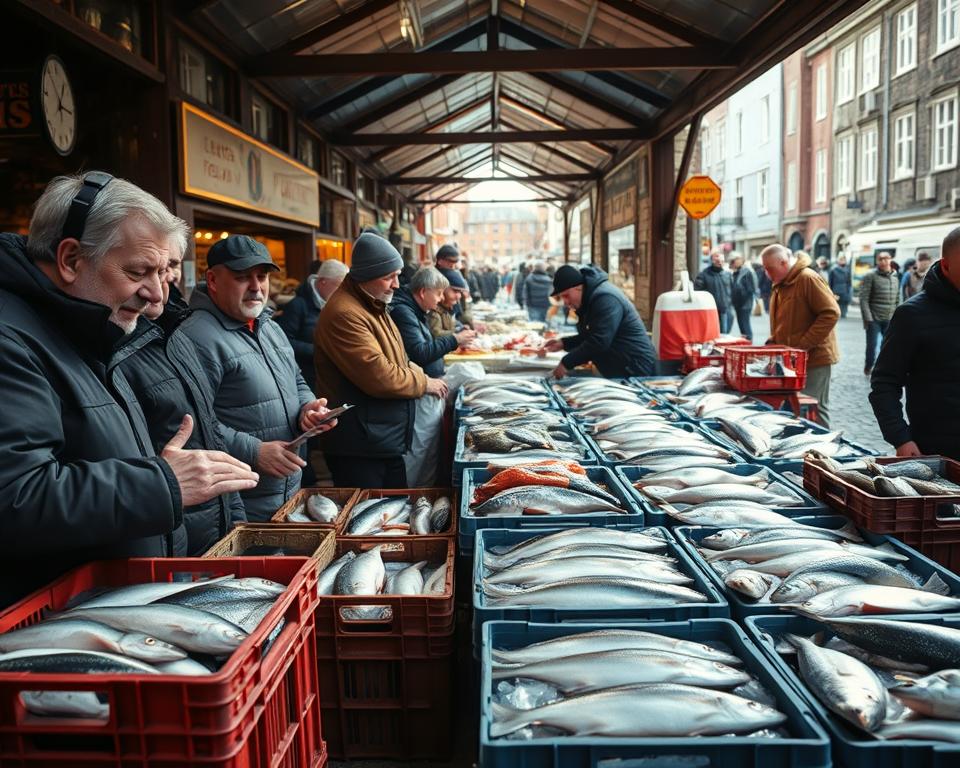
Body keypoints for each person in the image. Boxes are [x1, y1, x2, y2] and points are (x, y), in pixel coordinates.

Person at [0, 172, 259, 605]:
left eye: (163, 272)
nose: (157, 294)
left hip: (117, 606)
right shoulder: (13, 338)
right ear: (70, 259)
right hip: (61, 622)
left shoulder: (94, 327)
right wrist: (163, 484)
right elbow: (14, 497)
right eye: (139, 271)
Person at [181, 235, 336, 521]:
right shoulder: (195, 337)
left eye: (262, 276)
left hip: (286, 493)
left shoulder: (269, 327)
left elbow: (297, 380)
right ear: (212, 280)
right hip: (239, 503)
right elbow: (188, 423)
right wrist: (253, 451)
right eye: (242, 277)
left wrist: (308, 408)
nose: (256, 287)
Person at [119, 244, 247, 555]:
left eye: (168, 268)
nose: (160, 285)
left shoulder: (175, 334)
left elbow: (209, 430)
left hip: (211, 529)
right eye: (141, 271)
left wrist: (235, 516)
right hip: (166, 539)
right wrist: (163, 482)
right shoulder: (119, 347)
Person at [314, 233, 448, 488]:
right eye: (389, 277)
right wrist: (423, 383)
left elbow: (400, 358)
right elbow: (380, 376)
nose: (396, 284)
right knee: (371, 510)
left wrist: (423, 376)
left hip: (380, 437)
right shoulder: (345, 313)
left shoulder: (373, 304)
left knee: (396, 505)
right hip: (360, 445)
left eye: (397, 275)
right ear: (366, 275)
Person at [870, 228, 960, 459]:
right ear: (946, 265)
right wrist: (901, 438)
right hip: (937, 450)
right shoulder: (911, 315)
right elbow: (884, 382)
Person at [390, 267, 476, 485]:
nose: (440, 300)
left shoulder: (415, 310)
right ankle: (416, 492)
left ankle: (422, 490)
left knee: (426, 453)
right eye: (438, 294)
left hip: (425, 385)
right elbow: (419, 352)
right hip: (419, 389)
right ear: (422, 292)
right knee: (420, 452)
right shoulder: (404, 312)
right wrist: (455, 340)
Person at [761, 244, 840, 428]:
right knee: (795, 406)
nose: (766, 274)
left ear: (783, 262)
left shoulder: (807, 278)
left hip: (814, 358)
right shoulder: (780, 283)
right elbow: (784, 321)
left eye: (769, 268)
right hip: (792, 358)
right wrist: (773, 342)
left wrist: (802, 346)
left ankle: (824, 444)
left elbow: (830, 313)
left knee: (813, 407)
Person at [541, 264, 655, 378]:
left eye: (566, 296)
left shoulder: (605, 298)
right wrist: (564, 343)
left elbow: (599, 341)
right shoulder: (590, 297)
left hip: (634, 368)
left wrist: (566, 363)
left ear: (578, 287)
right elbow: (590, 336)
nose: (565, 302)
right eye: (562, 297)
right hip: (621, 366)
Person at [275, 259, 348, 392]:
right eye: (339, 286)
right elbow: (283, 341)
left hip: (330, 378)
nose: (342, 292)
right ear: (323, 281)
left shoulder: (337, 305)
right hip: (305, 379)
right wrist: (319, 351)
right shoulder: (298, 305)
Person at [859, 251, 900, 376]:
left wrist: (897, 315)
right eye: (880, 259)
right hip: (874, 318)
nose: (883, 261)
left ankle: (883, 368)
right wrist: (868, 318)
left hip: (889, 317)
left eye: (886, 258)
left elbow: (897, 298)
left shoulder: (895, 276)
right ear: (877, 261)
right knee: (872, 346)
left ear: (890, 259)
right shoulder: (870, 276)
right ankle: (868, 366)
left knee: (887, 346)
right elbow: (863, 298)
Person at [694, 251, 734, 333]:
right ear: (712, 261)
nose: (720, 263)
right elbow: (698, 292)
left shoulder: (727, 274)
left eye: (722, 261)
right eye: (717, 260)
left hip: (726, 310)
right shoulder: (703, 275)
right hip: (711, 310)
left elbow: (732, 291)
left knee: (725, 334)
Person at [428, 266, 471, 338]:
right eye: (455, 291)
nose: (458, 296)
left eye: (460, 292)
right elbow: (436, 334)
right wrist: (457, 333)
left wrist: (461, 328)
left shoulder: (448, 307)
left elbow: (452, 322)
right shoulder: (434, 311)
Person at [729, 252, 758, 341]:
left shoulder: (747, 271)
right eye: (733, 261)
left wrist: (743, 295)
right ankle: (746, 341)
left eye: (735, 260)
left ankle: (748, 341)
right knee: (741, 324)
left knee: (745, 324)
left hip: (745, 303)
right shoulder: (736, 272)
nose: (734, 263)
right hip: (738, 303)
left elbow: (751, 288)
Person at [828, 254, 853, 318]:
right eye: (841, 259)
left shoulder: (847, 269)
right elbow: (830, 281)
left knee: (844, 303)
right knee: (836, 304)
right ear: (838, 260)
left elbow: (849, 281)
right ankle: (837, 314)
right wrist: (830, 291)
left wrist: (849, 290)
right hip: (836, 290)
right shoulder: (833, 269)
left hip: (845, 289)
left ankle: (843, 314)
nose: (842, 261)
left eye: (844, 259)